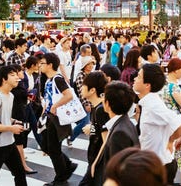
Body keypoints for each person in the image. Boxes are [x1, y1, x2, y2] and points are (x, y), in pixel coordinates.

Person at [133, 62, 181, 184]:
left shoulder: (153, 105)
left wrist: (170, 140)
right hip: (151, 164)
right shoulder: (148, 102)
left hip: (158, 166)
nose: (134, 79)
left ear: (147, 85)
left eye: (138, 76)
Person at [85, 81, 139, 186]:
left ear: (108, 104)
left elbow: (118, 173)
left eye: (104, 96)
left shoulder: (119, 133)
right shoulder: (126, 123)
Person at [40, 52, 78, 185]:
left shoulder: (57, 79)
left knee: (53, 149)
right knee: (51, 147)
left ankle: (61, 178)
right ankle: (67, 166)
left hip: (58, 117)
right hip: (52, 117)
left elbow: (68, 95)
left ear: (50, 65)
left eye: (42, 63)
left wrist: (55, 106)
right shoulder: (50, 80)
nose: (40, 65)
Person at [160, 58, 181, 185]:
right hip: (178, 125)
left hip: (167, 125)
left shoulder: (164, 85)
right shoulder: (174, 87)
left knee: (169, 158)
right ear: (175, 70)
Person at [79, 71, 110, 186]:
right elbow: (97, 131)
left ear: (92, 90)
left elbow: (106, 139)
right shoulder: (96, 107)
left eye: (84, 85)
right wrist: (91, 128)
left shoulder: (101, 110)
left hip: (98, 159)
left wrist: (95, 163)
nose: (81, 88)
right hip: (94, 158)